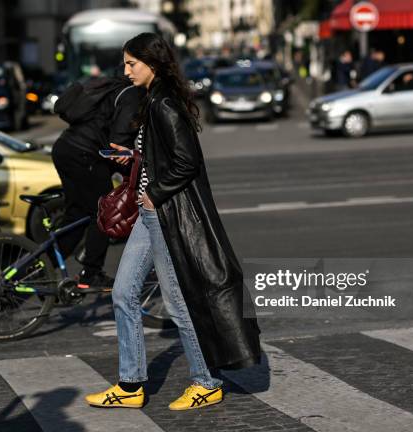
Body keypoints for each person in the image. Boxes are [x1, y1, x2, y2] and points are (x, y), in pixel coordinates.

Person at [85, 33, 261, 411]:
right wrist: (133, 157)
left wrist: (155, 193)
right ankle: (131, 386)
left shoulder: (163, 102)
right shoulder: (152, 99)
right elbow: (162, 154)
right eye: (125, 63)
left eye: (132, 63)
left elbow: (187, 161)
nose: (126, 70)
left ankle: (207, 382)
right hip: (149, 215)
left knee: (178, 303)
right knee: (122, 294)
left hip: (161, 214)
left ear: (152, 62)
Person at [52, 75, 145, 289]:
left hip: (67, 148)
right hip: (85, 154)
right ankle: (91, 273)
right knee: (105, 213)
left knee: (76, 216)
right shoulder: (131, 94)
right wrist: (136, 166)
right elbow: (117, 142)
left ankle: (37, 268)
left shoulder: (111, 87)